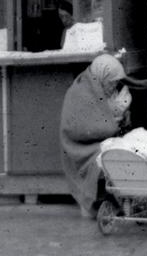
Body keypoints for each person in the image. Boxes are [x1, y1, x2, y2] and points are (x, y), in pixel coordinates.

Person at [59, 53, 140, 217]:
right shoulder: (81, 92)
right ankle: (94, 203)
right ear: (103, 77)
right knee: (114, 152)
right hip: (80, 148)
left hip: (95, 142)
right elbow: (81, 128)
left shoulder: (96, 86)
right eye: (112, 82)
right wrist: (113, 123)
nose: (114, 86)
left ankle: (114, 201)